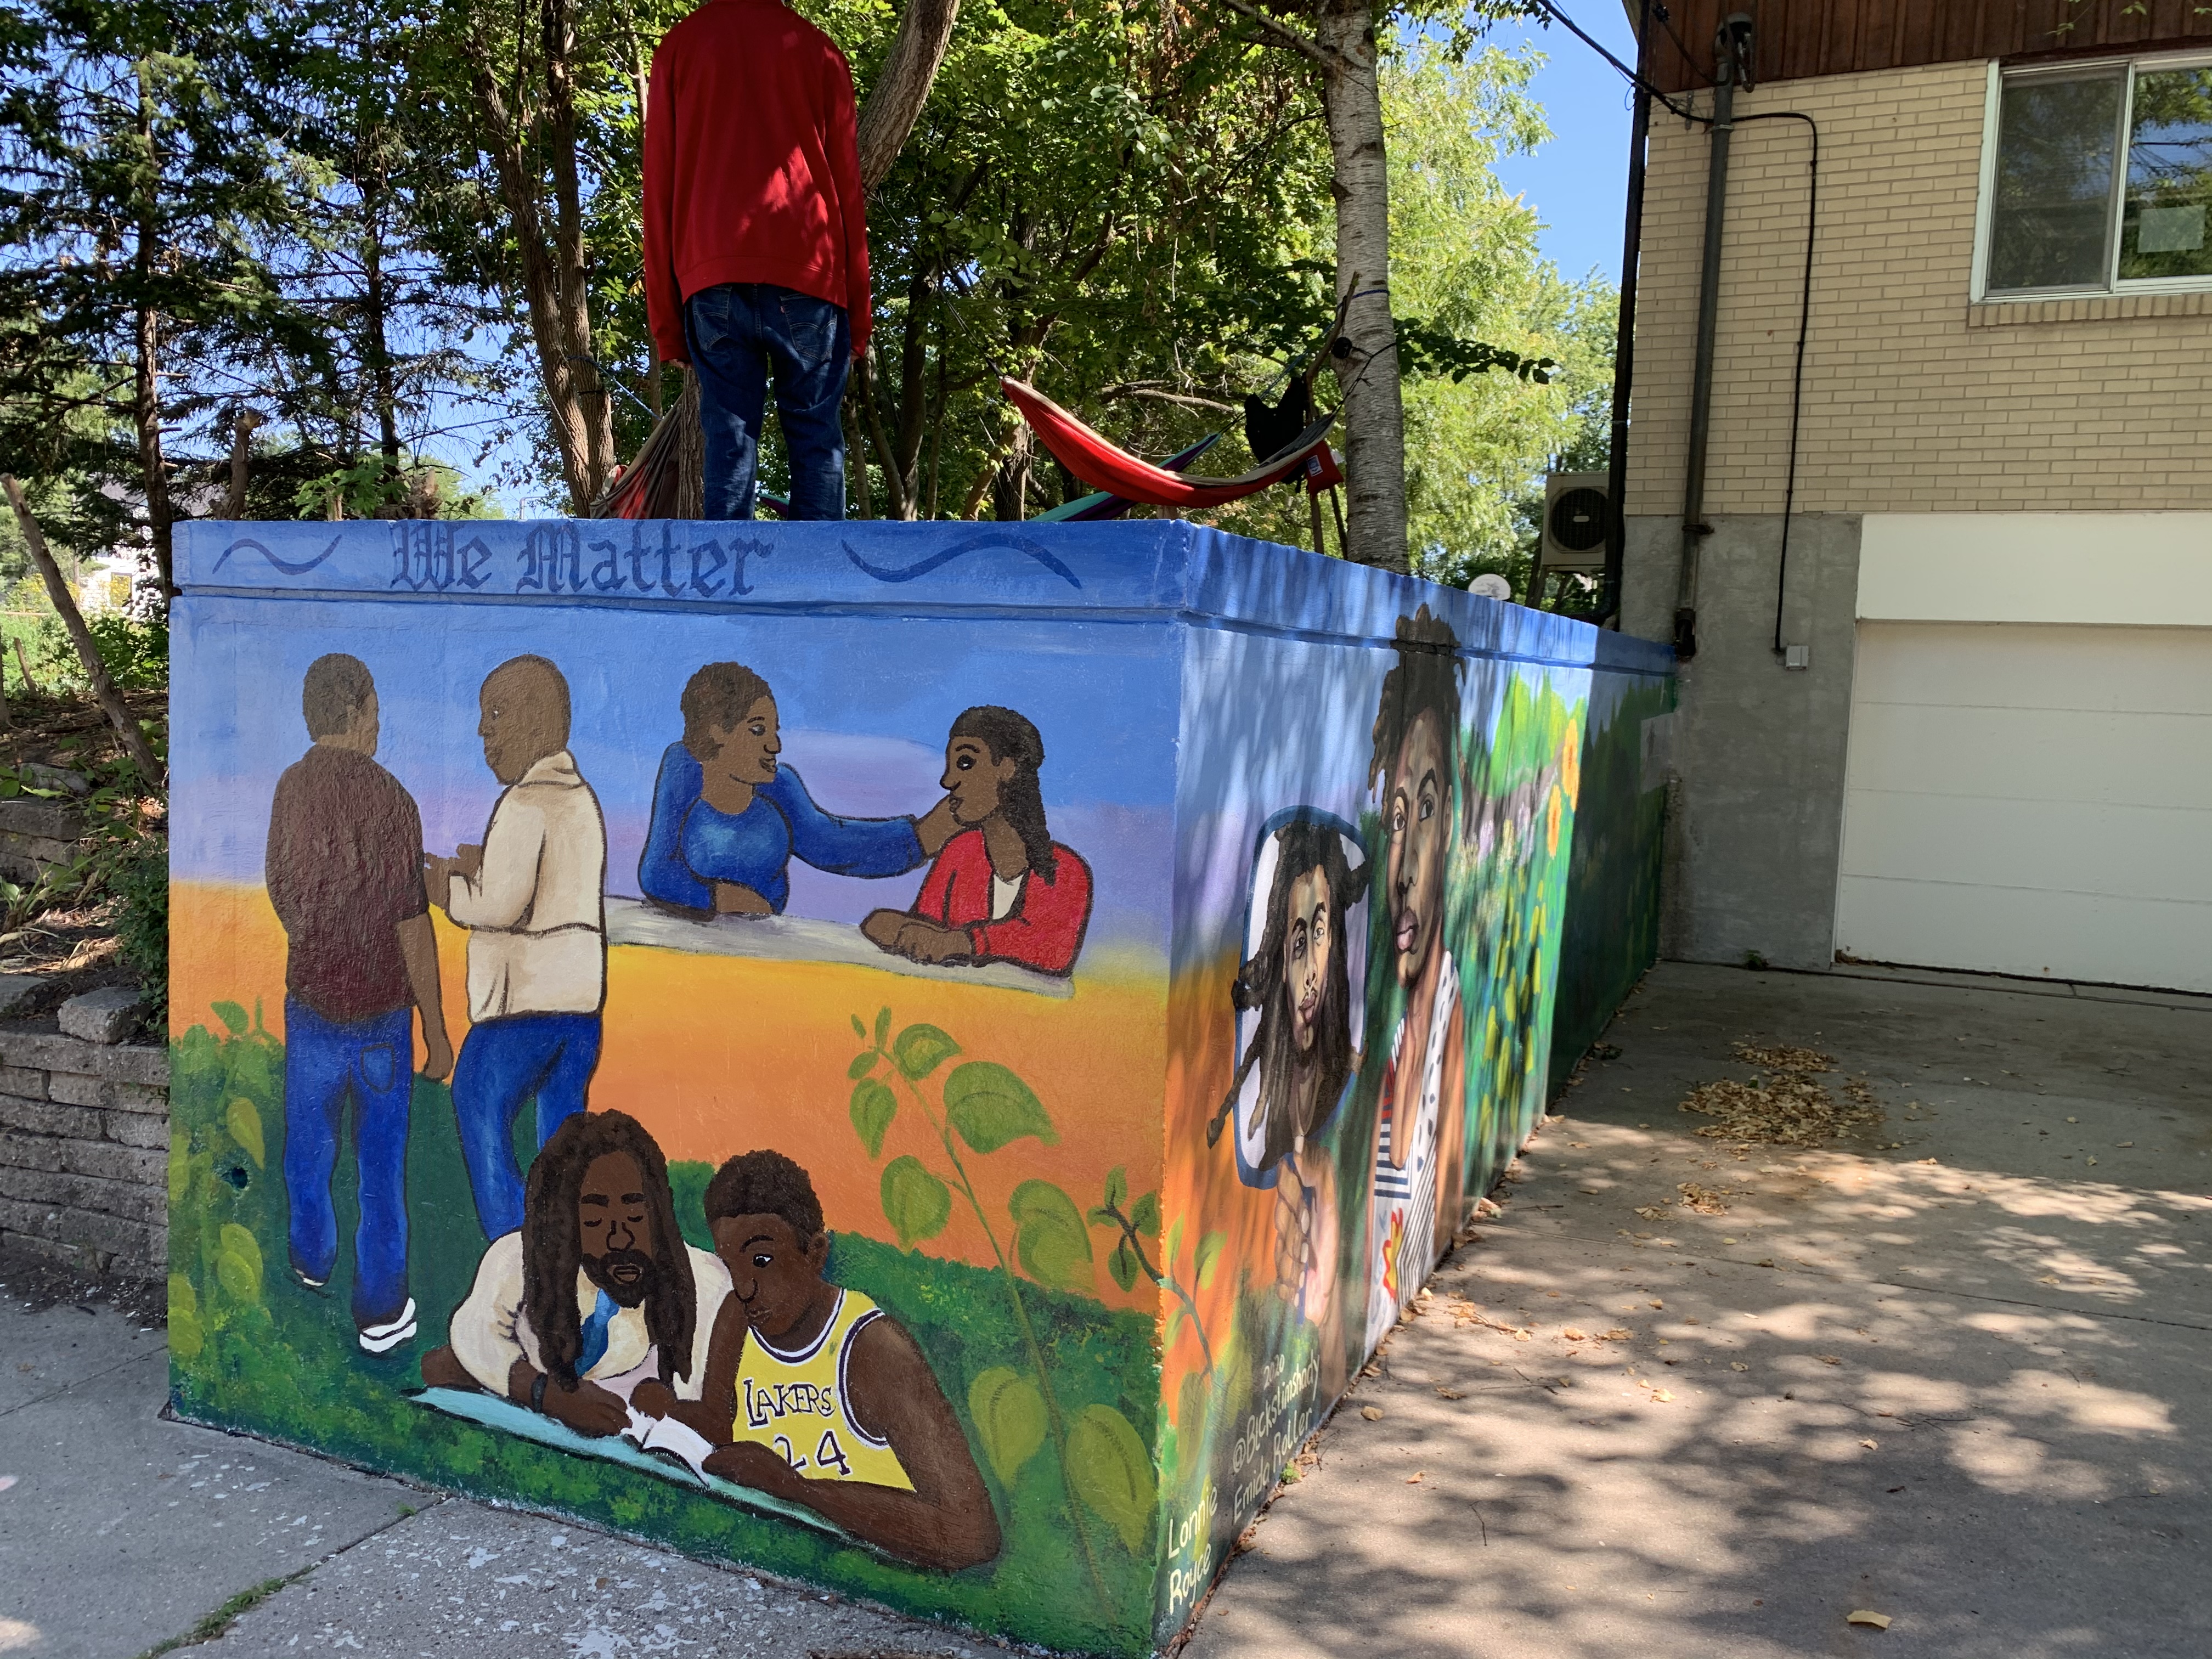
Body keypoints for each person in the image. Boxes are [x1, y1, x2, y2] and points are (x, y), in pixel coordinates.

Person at [637, 1150, 1000, 1571]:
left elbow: (970, 1535)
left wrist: (798, 1489)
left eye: (761, 1261)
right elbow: (723, 1422)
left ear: (814, 1253)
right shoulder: (740, 1317)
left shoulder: (874, 1351)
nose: (743, 1287)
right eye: (729, 1263)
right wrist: (666, 1414)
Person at [266, 654, 453, 1356]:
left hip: (311, 1003)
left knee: (308, 1147)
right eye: (374, 708)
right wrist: (434, 1026)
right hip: (380, 1017)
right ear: (357, 711)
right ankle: (381, 1312)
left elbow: (279, 884)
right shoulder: (392, 800)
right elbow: (412, 922)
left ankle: (310, 1260)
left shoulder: (291, 788)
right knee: (381, 1166)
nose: (380, 722)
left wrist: (317, 940)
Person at [642, 0, 870, 521]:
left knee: (730, 441)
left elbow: (658, 189)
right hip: (809, 274)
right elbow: (848, 194)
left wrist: (666, 324)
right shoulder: (821, 53)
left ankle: (731, 596)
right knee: (816, 440)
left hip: (712, 274)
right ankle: (819, 593)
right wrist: (859, 318)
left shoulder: (680, 48)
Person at [428, 656, 609, 1242]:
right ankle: (570, 1255)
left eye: (497, 715)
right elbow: (552, 890)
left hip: (521, 1009)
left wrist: (444, 887)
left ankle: (513, 1254)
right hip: (579, 1007)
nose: (486, 732)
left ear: (536, 721)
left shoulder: (524, 804)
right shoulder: (579, 799)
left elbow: (498, 906)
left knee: (479, 1106)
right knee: (562, 1144)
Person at [422, 1111, 729, 1437]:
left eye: (636, 1213)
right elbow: (475, 1333)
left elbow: (701, 1395)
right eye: (595, 1219)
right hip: (542, 1384)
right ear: (563, 1221)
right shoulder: (519, 1258)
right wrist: (549, 1396)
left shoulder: (703, 1281)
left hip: (634, 1408)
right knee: (442, 1366)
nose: (621, 1238)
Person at [639, 662, 952, 917]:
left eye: (775, 731)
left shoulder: (779, 785)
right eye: (758, 730)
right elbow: (657, 872)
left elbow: (831, 843)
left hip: (764, 941)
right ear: (718, 731)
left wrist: (921, 838)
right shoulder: (684, 768)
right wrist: (719, 897)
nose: (775, 745)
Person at [1364, 606, 1468, 1353]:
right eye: (1397, 815)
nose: (1404, 865)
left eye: (1426, 808)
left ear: (1454, 821)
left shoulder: (1446, 1010)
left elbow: (1448, 1196)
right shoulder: (1365, 1007)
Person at [861, 707, 1093, 977]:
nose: (948, 781)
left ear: (1008, 768)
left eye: (966, 763)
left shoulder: (1065, 870)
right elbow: (924, 929)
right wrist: (889, 926)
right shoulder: (960, 852)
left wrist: (958, 942)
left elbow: (1051, 951)